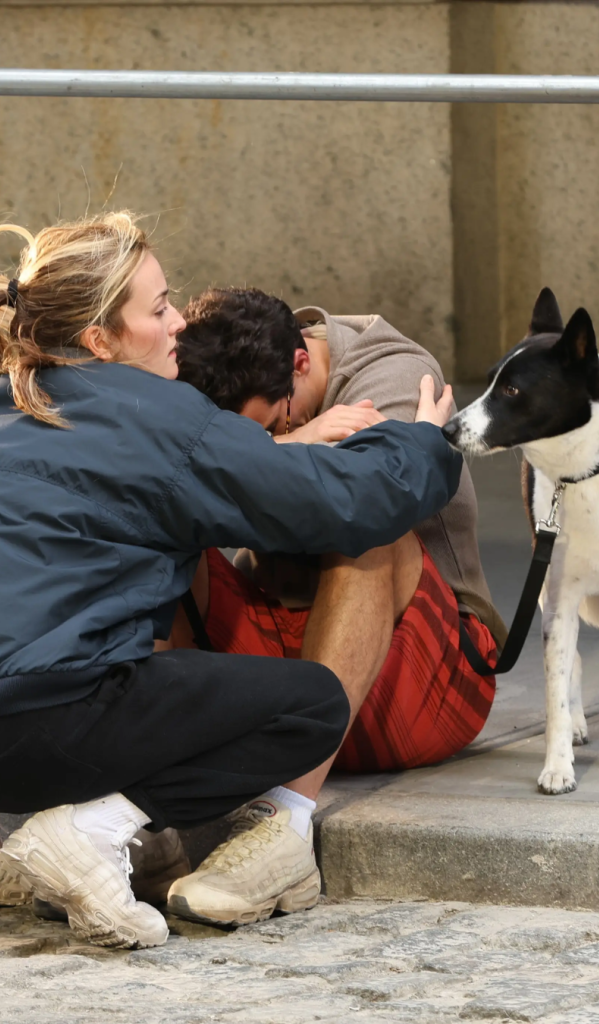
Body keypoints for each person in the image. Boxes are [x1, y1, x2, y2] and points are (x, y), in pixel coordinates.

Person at [0, 214, 460, 948]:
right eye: (158, 309)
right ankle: (95, 830)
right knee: (307, 706)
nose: (177, 329)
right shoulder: (154, 414)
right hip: (35, 722)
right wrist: (419, 441)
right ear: (101, 341)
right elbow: (335, 504)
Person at [165, 287, 507, 925]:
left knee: (371, 523)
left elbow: (359, 500)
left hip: (422, 672)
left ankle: (285, 829)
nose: (273, 436)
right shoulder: (233, 368)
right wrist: (290, 447)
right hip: (288, 658)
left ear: (301, 365)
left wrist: (250, 466)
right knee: (158, 534)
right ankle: (140, 813)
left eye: (273, 424)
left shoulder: (397, 376)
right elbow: (175, 489)